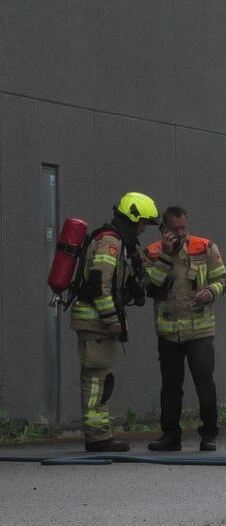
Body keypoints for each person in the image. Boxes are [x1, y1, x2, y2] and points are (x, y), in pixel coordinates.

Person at [70, 191, 159, 452]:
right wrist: (110, 317)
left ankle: (99, 434)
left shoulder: (120, 243)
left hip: (97, 322)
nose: (143, 230)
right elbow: (100, 283)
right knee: (97, 380)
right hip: (96, 322)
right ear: (132, 218)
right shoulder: (110, 242)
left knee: (100, 378)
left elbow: (131, 278)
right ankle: (98, 437)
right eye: (142, 223)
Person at [143, 206, 226, 452]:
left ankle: (209, 435)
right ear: (164, 228)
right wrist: (167, 256)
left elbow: (222, 279)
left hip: (199, 331)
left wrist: (211, 292)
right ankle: (171, 436)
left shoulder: (204, 247)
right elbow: (152, 286)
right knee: (170, 386)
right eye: (174, 229)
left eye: (183, 227)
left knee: (204, 383)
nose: (180, 233)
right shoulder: (152, 252)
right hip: (169, 333)